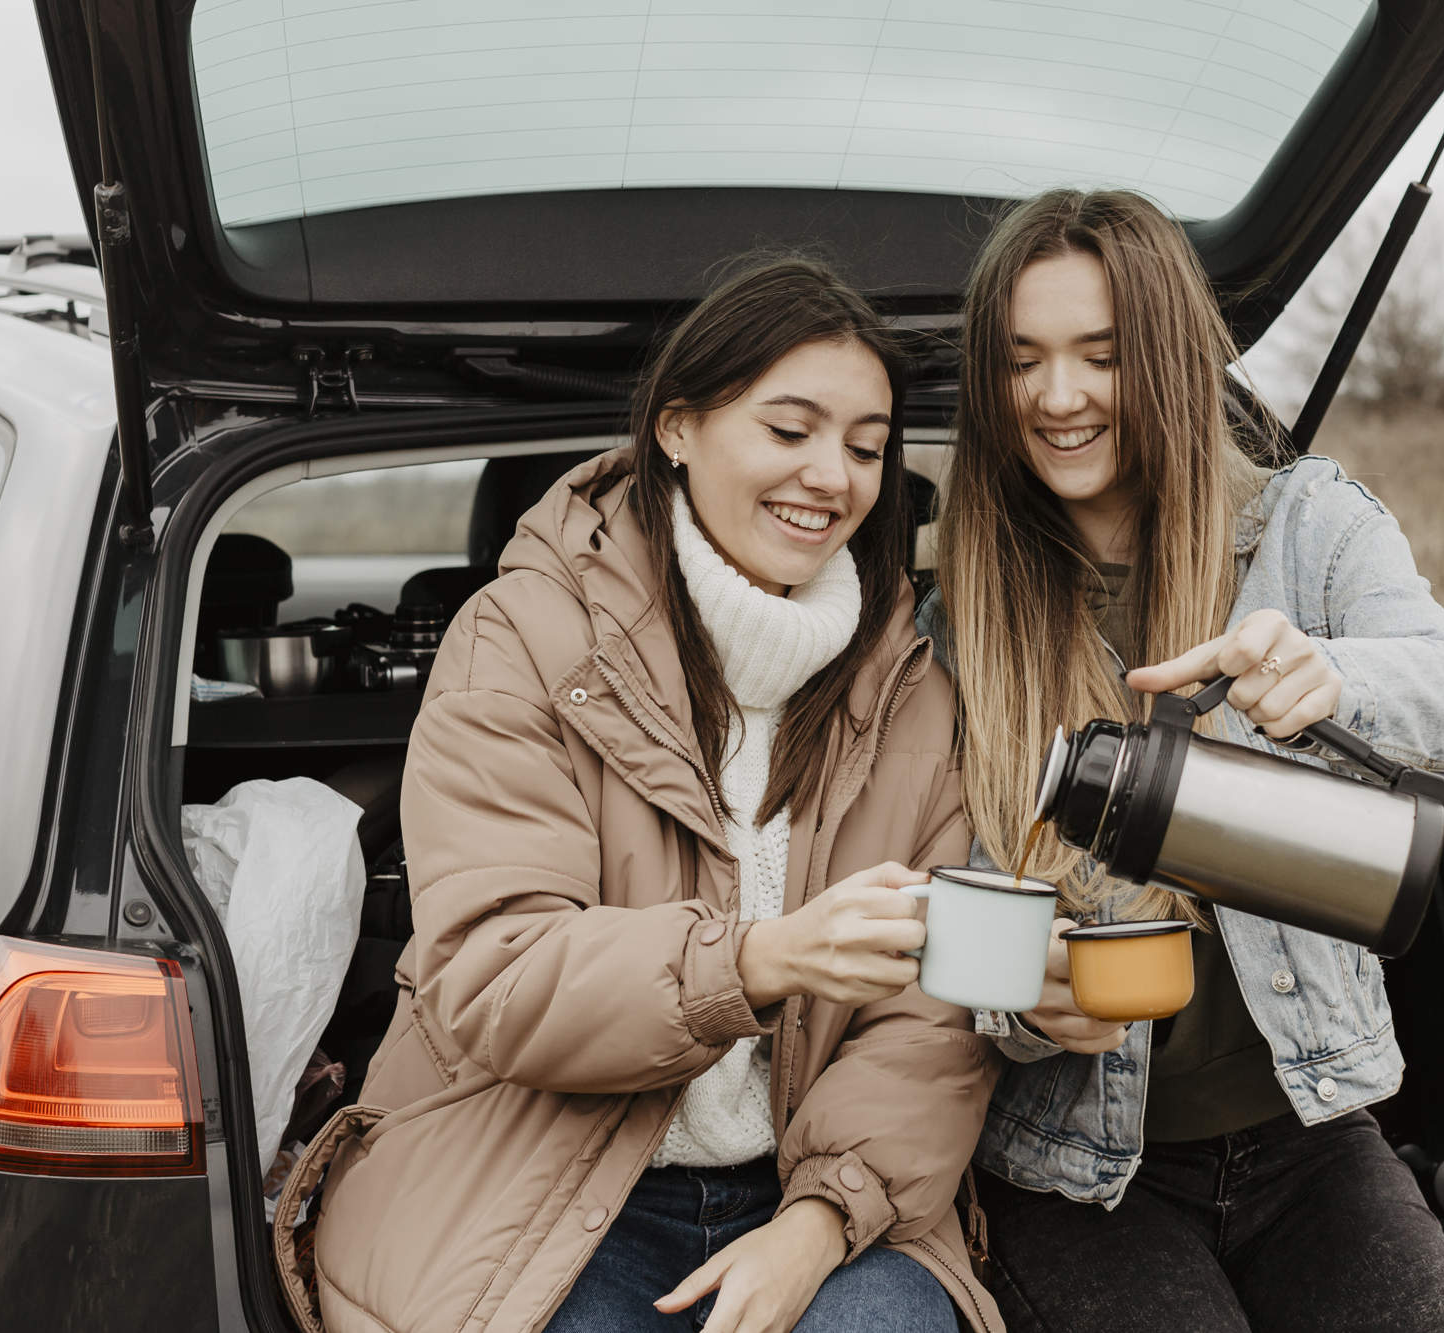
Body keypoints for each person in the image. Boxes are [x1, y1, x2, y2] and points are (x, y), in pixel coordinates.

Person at [299, 260, 1002, 1333]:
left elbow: (934, 1015)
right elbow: (498, 971)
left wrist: (816, 1222)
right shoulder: (522, 638)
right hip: (540, 1182)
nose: (831, 476)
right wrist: (757, 960)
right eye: (789, 430)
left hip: (822, 1187)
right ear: (676, 426)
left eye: (864, 447)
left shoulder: (911, 685)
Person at [920, 188, 1444, 1331]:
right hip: (1071, 1173)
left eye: (1098, 355)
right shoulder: (962, 621)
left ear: (1168, 355)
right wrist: (1022, 1006)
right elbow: (930, 910)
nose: (1056, 396)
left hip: (1309, 1138)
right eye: (1022, 359)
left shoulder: (1308, 527)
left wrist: (1332, 680)